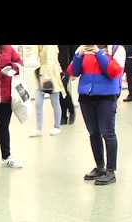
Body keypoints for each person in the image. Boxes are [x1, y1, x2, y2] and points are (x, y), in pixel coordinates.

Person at [68, 45, 126, 185]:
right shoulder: (82, 50)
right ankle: (100, 167)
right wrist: (78, 55)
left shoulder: (118, 49)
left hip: (106, 97)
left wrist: (99, 53)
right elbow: (73, 72)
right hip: (86, 97)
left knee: (108, 133)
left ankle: (110, 171)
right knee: (93, 132)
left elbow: (113, 71)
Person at [30, 45, 66, 137]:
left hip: (52, 75)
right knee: (38, 103)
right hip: (42, 74)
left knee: (55, 102)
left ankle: (57, 126)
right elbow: (35, 57)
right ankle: (38, 128)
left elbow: (51, 60)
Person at [58, 45, 78, 124]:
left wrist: (74, 69)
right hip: (55, 67)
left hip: (66, 68)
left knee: (63, 87)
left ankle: (71, 110)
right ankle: (63, 115)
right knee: (59, 91)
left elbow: (75, 52)